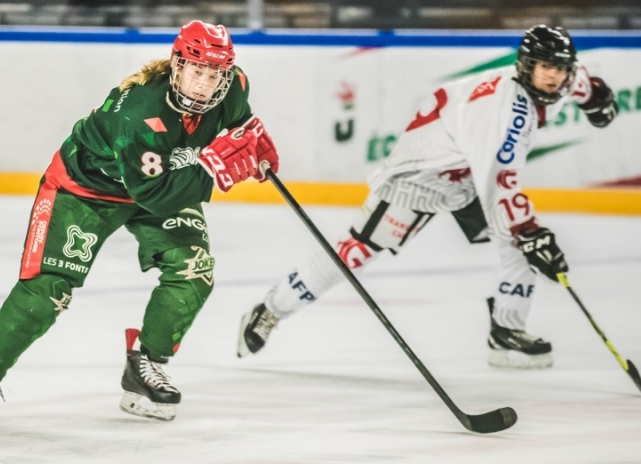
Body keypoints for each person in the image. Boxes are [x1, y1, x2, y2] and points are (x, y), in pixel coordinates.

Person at [0, 20, 279, 422]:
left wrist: (257, 149)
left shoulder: (234, 88)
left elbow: (242, 126)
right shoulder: (140, 113)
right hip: (85, 190)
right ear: (176, 65)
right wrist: (211, 171)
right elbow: (154, 194)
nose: (205, 85)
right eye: (197, 72)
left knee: (194, 269)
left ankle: (145, 365)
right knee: (48, 291)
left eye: (215, 75)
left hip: (159, 183)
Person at [237, 25, 617, 369]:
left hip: (464, 171)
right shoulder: (509, 113)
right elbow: (500, 184)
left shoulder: (558, 79)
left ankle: (506, 330)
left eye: (560, 68)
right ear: (525, 66)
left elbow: (580, 81)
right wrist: (530, 230)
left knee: (514, 241)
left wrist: (594, 96)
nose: (553, 75)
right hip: (421, 175)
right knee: (356, 252)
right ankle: (270, 309)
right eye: (544, 66)